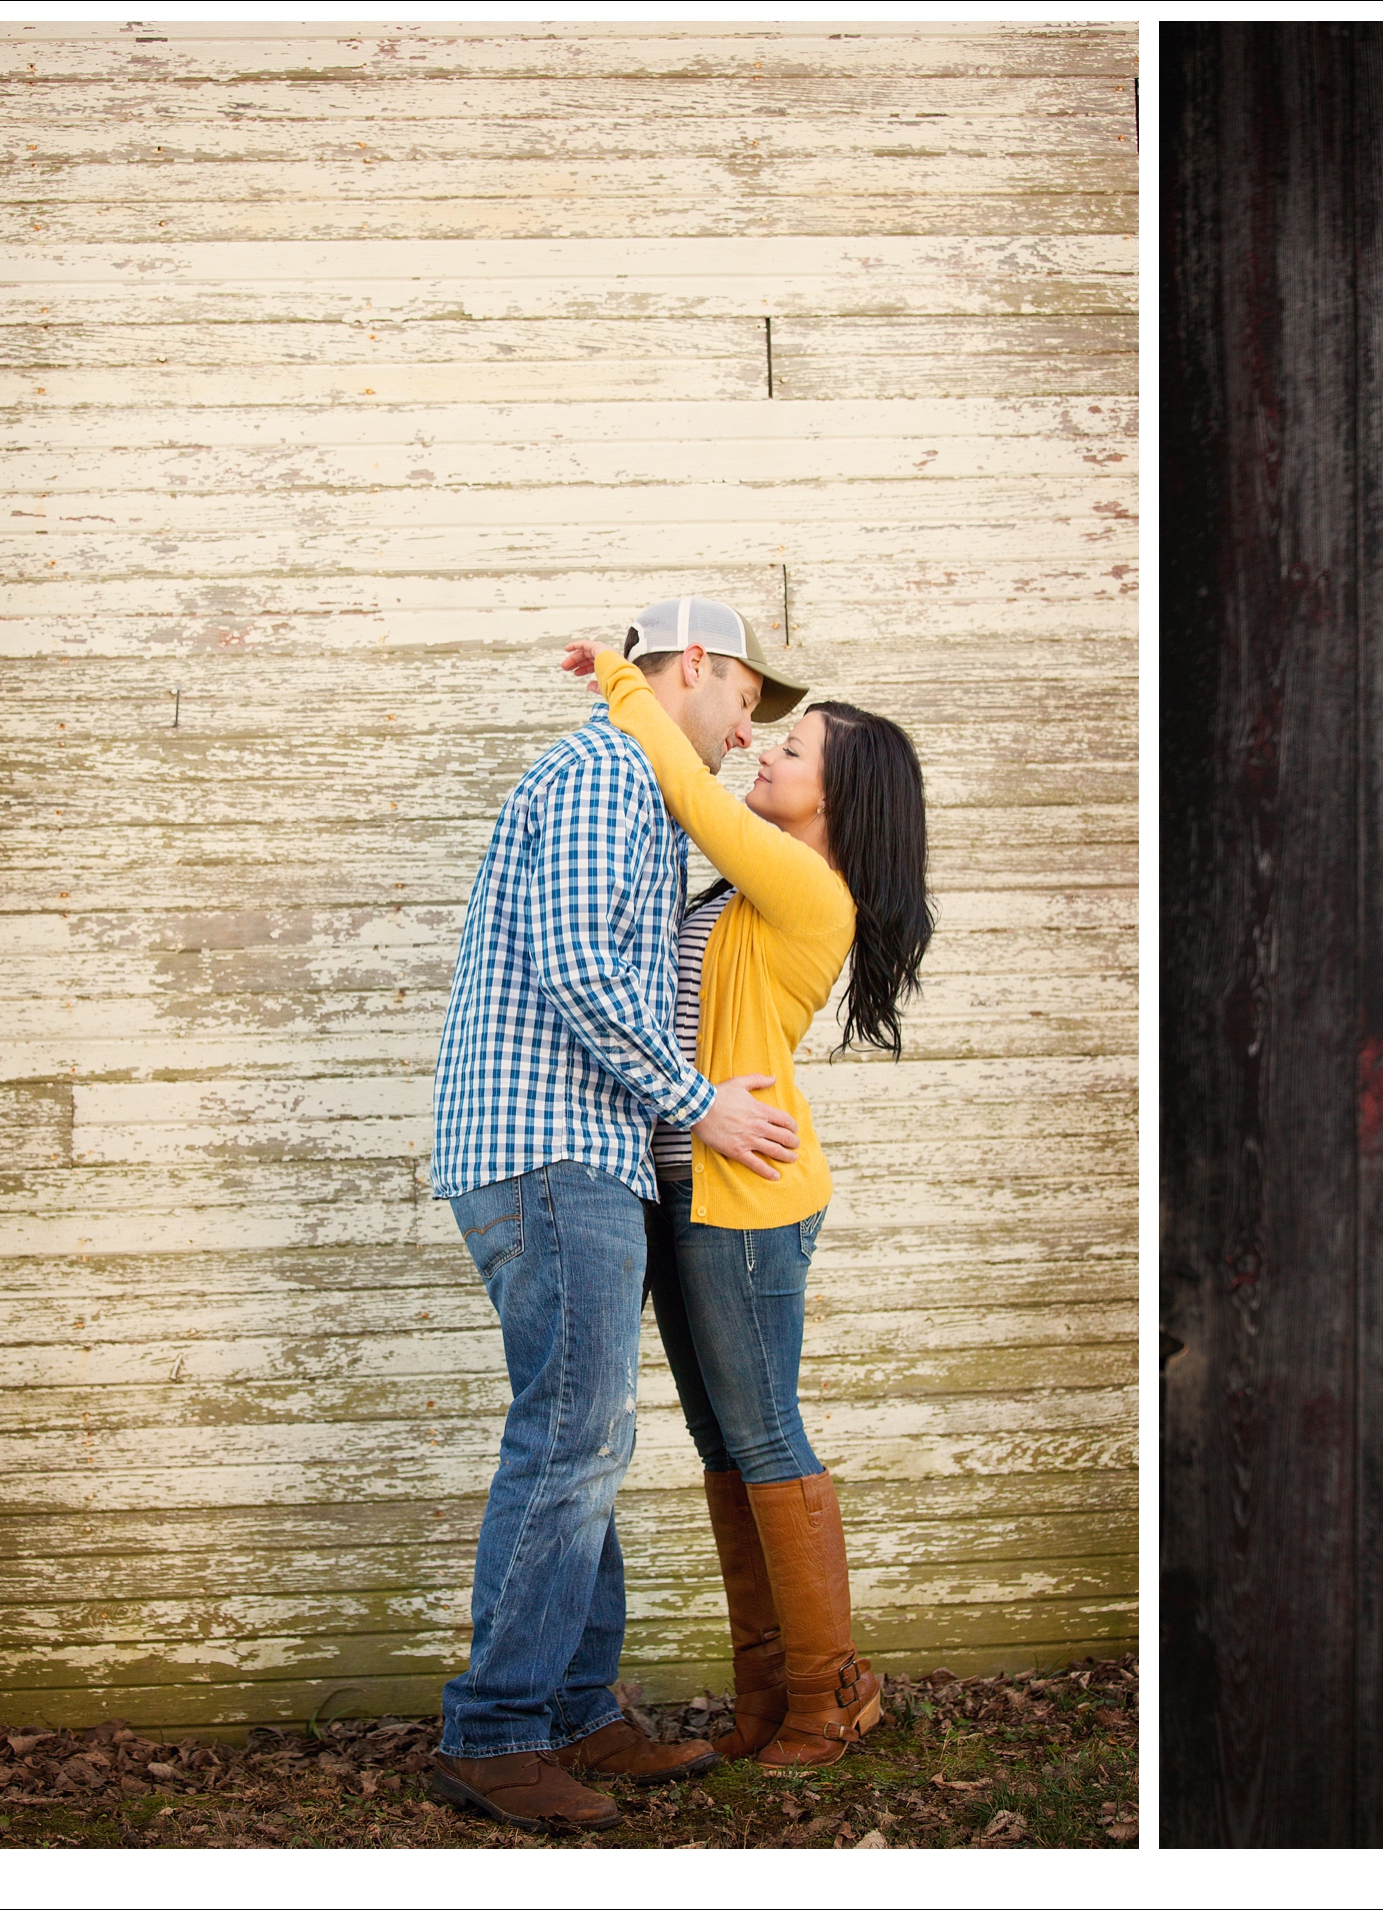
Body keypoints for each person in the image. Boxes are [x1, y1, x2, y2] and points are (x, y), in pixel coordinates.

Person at [426, 596, 811, 1832]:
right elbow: (582, 963)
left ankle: (580, 1709)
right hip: (550, 1148)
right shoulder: (604, 772)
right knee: (570, 1433)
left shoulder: (636, 779)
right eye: (749, 695)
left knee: (582, 1431)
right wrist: (704, 1102)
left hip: (578, 1149)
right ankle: (494, 1731)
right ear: (692, 666)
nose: (750, 729)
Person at [558, 598, 933, 1770]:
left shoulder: (811, 888)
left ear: (840, 795)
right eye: (772, 735)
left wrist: (628, 684)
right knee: (725, 1444)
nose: (766, 748)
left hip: (748, 1200)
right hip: (683, 1188)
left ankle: (831, 1694)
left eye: (794, 747)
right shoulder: (735, 890)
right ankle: (768, 1694)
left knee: (766, 1434)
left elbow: (689, 788)